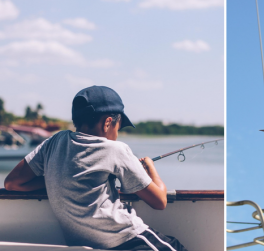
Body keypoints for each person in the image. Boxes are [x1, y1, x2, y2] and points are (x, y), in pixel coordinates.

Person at [4, 86, 188, 251]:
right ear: (108, 122)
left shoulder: (54, 141)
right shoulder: (116, 150)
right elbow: (160, 201)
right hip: (127, 240)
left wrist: (59, 182)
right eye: (118, 126)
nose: (117, 133)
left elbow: (12, 183)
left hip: (85, 244)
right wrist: (150, 167)